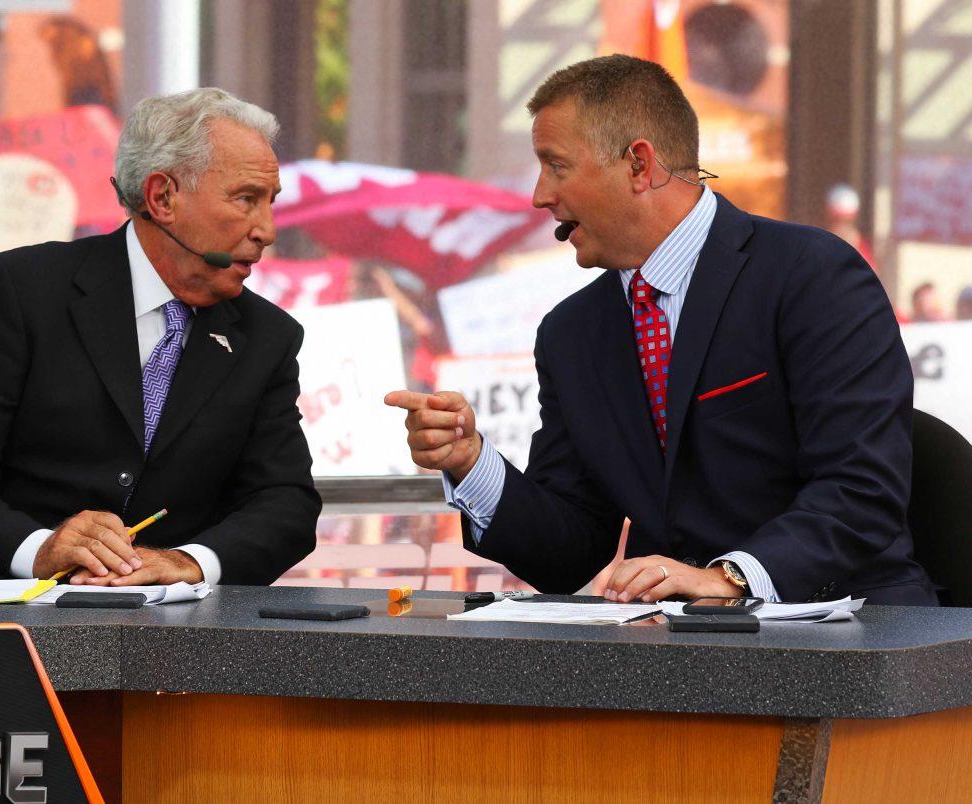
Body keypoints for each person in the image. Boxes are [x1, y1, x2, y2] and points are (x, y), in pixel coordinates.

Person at [386, 55, 935, 605]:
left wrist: (730, 579)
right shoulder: (571, 333)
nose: (539, 195)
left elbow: (861, 490)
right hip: (670, 657)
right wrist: (471, 462)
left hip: (849, 639)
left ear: (639, 166)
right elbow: (571, 551)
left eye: (556, 166)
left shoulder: (813, 275)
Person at [0, 88, 321, 584]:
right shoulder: (25, 291)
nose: (267, 230)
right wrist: (37, 551)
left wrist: (187, 564)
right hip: (11, 624)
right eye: (246, 199)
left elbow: (286, 503)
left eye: (270, 203)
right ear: (162, 196)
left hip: (173, 642)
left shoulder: (267, 338)